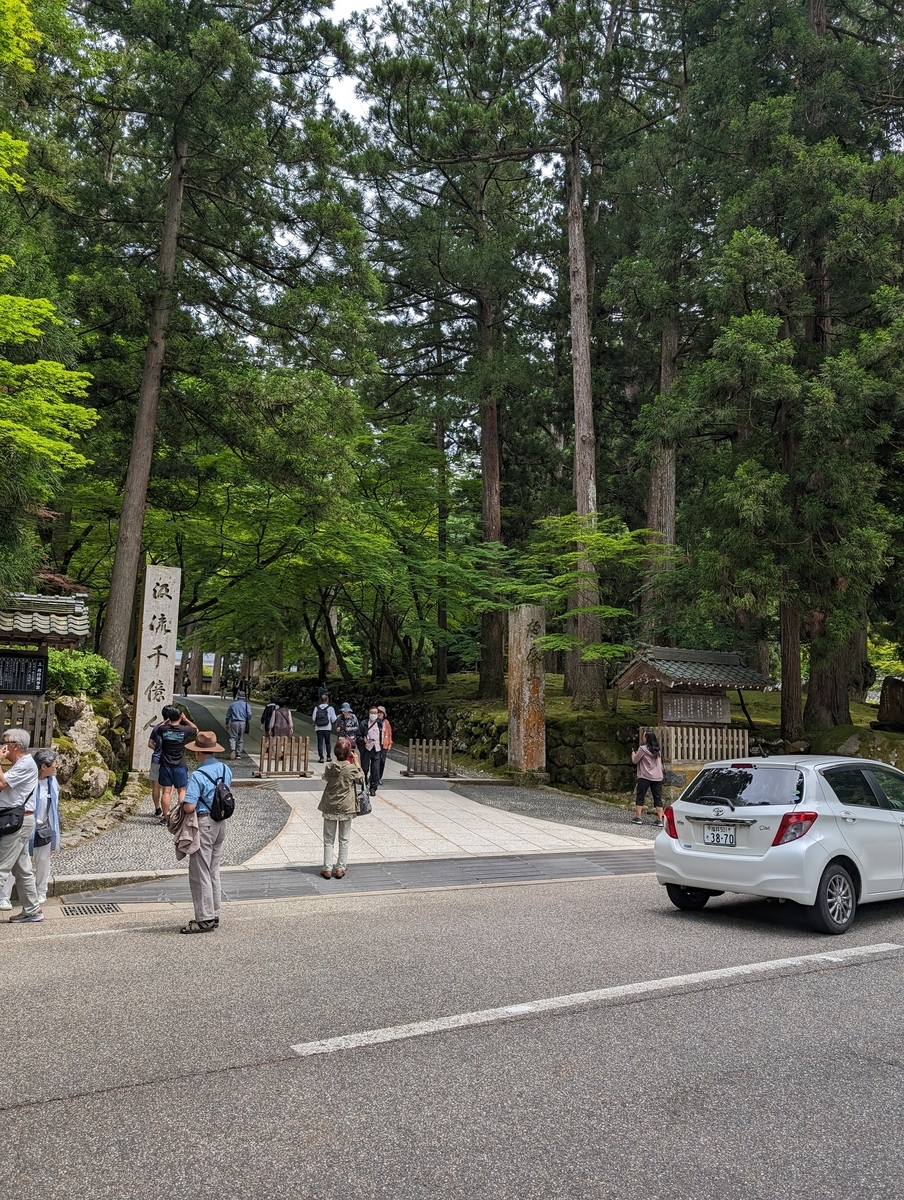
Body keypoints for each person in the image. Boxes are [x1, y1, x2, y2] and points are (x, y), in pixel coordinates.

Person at [178, 730, 231, 933]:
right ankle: (214, 912)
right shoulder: (226, 769)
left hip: (204, 824)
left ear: (199, 753)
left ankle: (204, 918)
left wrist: (182, 805)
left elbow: (190, 807)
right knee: (213, 870)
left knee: (200, 873)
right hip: (220, 823)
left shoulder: (198, 775)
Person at [1, 748, 61, 909]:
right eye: (54, 763)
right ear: (43, 766)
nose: (56, 766)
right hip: (24, 823)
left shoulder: (52, 781)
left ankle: (41, 892)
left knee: (42, 861)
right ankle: (4, 897)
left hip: (44, 827)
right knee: (16, 862)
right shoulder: (29, 779)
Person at [0, 728, 43, 923]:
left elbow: (1, 784)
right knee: (21, 868)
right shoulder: (21, 764)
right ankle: (32, 910)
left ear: (14, 746)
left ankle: (32, 910)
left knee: (1, 866)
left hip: (16, 823)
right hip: (18, 821)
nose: (2, 746)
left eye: (4, 743)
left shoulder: (26, 764)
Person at [318, 737, 364, 879]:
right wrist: (357, 763)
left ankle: (327, 868)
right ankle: (340, 868)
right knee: (344, 839)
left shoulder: (329, 767)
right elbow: (361, 779)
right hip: (346, 806)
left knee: (328, 839)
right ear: (349, 753)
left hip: (330, 806)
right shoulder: (351, 769)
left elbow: (325, 778)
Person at [155, 706, 198, 822]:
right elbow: (195, 729)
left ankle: (166, 816)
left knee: (166, 791)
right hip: (180, 764)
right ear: (180, 717)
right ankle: (181, 816)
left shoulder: (163, 730)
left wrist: (167, 720)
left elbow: (158, 727)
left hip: (165, 765)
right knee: (182, 790)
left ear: (169, 717)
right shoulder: (185, 730)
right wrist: (186, 719)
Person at [632, 728, 665, 827]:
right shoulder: (657, 749)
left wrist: (633, 754)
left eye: (643, 735)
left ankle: (638, 817)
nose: (642, 737)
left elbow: (635, 760)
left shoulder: (642, 749)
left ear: (646, 738)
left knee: (640, 795)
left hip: (645, 776)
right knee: (658, 797)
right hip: (657, 777)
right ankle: (659, 819)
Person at [359, 705, 384, 797]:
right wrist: (363, 740)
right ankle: (364, 787)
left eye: (375, 713)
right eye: (371, 713)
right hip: (366, 748)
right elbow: (358, 736)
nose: (373, 715)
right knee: (365, 768)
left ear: (378, 714)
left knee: (375, 770)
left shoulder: (380, 724)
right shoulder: (364, 723)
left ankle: (373, 788)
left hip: (377, 749)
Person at [147, 713, 167, 817]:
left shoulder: (157, 728)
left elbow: (150, 743)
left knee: (156, 785)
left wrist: (158, 750)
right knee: (167, 787)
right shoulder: (174, 729)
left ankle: (157, 808)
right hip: (168, 761)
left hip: (156, 759)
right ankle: (166, 811)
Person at [225, 692, 252, 759]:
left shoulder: (233, 705)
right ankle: (239, 754)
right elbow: (249, 715)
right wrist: (247, 719)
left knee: (233, 737)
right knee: (241, 737)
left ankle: (233, 749)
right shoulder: (246, 705)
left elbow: (228, 715)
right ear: (244, 697)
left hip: (234, 722)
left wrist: (227, 723)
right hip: (243, 722)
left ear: (237, 697)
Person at [312, 695, 337, 763]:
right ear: (327, 700)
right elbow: (334, 719)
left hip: (318, 728)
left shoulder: (316, 708)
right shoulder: (330, 708)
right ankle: (328, 756)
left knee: (320, 742)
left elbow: (313, 718)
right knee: (327, 742)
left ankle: (321, 757)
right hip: (327, 728)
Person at [377, 705, 393, 784]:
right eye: (378, 712)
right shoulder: (374, 722)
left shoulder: (386, 723)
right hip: (376, 744)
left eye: (381, 713)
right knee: (375, 761)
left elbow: (389, 733)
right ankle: (374, 776)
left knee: (382, 761)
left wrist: (390, 743)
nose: (379, 714)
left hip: (384, 744)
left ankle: (379, 776)